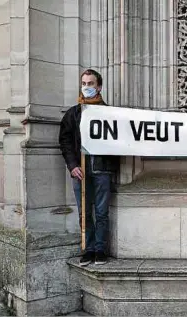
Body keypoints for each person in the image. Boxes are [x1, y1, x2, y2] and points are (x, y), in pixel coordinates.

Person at [59, 69, 119, 266]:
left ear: (98, 86)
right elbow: (65, 141)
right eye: (84, 83)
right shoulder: (73, 114)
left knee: (101, 212)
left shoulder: (109, 113)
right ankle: (88, 248)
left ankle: (100, 249)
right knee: (84, 212)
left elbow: (118, 139)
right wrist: (72, 165)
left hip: (102, 169)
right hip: (80, 172)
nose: (86, 87)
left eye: (90, 84)